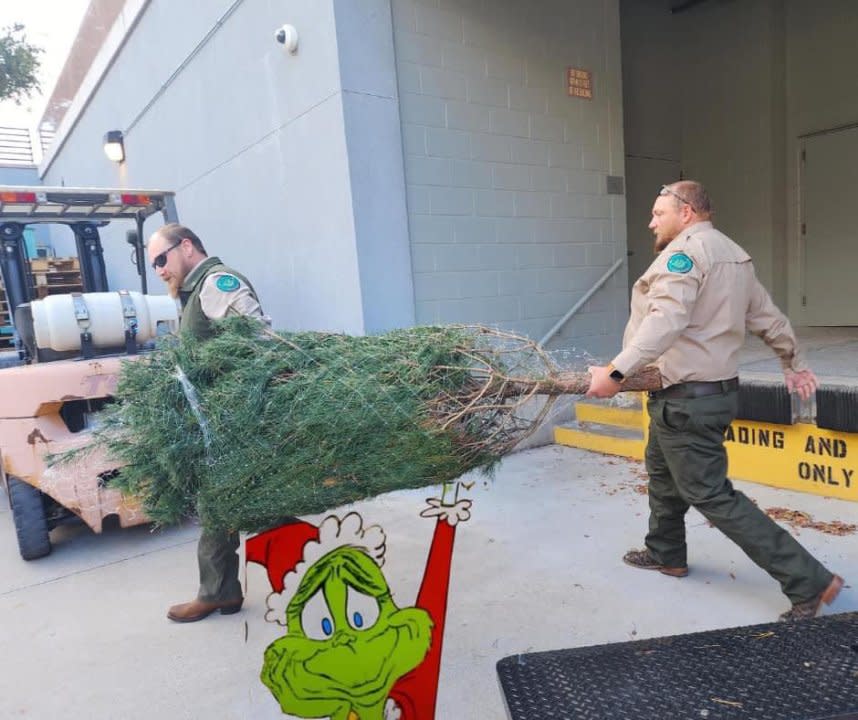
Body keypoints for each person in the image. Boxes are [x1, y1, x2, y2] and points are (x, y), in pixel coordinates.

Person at [587, 180, 844, 622]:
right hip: (708, 395)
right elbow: (769, 317)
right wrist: (793, 361)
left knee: (712, 495)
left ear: (686, 212)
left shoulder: (683, 256)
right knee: (663, 473)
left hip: (686, 400)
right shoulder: (734, 255)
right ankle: (666, 552)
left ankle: (810, 581)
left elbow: (665, 321)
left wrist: (615, 373)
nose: (651, 221)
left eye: (658, 213)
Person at [147, 223, 266, 623]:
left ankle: (218, 593)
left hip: (236, 421)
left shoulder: (218, 282)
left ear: (186, 247)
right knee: (225, 504)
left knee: (221, 503)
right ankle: (223, 592)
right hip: (219, 421)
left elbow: (258, 342)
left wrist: (239, 405)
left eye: (161, 259)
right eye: (153, 266)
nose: (160, 270)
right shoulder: (196, 291)